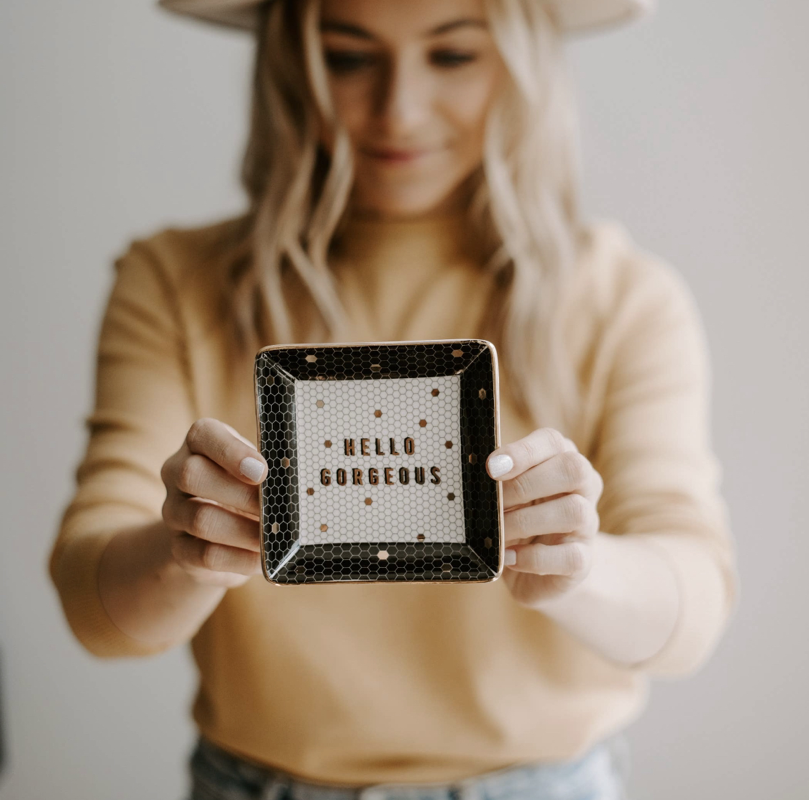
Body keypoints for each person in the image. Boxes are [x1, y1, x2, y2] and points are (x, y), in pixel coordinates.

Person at [47, 0, 739, 798]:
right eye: (348, 58)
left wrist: (578, 569)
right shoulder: (173, 283)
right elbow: (94, 608)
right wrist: (183, 553)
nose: (398, 110)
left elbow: (692, 602)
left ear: (524, 68)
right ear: (288, 67)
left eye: (452, 56)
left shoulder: (623, 299)